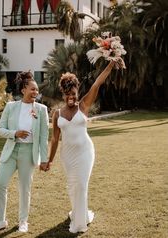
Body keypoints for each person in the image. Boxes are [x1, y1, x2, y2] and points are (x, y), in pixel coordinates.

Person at [45, 61, 115, 233]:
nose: (71, 97)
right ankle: (79, 213)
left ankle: (79, 224)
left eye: (74, 94)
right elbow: (55, 139)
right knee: (73, 186)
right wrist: (50, 161)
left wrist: (111, 64)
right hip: (67, 155)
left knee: (82, 185)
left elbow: (97, 83)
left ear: (77, 92)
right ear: (63, 94)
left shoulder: (83, 105)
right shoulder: (57, 114)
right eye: (68, 94)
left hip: (85, 152)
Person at [0, 71, 49, 233]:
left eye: (37, 90)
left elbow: (43, 137)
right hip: (11, 150)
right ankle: (0, 220)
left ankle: (23, 221)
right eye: (33, 89)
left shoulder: (42, 110)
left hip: (29, 153)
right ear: (23, 90)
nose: (36, 92)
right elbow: (0, 129)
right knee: (0, 183)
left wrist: (44, 159)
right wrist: (15, 133)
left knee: (24, 188)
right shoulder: (11, 107)